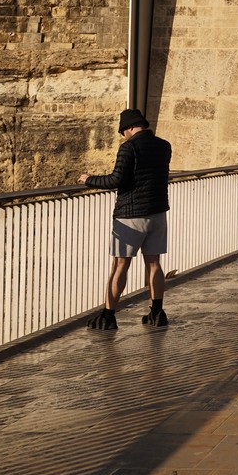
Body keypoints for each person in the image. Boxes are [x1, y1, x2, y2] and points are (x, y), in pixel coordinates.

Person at [78, 108, 172, 330]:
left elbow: (115, 180)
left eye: (123, 132)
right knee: (154, 263)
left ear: (129, 128)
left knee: (120, 265)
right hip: (157, 213)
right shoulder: (164, 146)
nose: (124, 136)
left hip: (130, 216)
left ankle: (108, 316)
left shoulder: (128, 148)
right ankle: (157, 313)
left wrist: (89, 179)